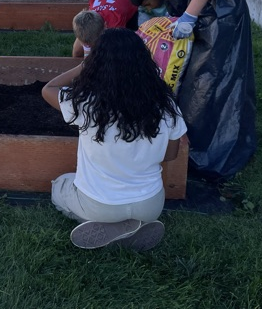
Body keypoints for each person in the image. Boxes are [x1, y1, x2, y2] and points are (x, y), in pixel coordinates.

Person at [126, 0, 256, 181]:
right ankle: (197, 140)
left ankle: (212, 150)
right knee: (201, 80)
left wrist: (189, 17)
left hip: (220, 23)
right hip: (211, 22)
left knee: (208, 81)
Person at [42, 28, 186, 250]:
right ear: (143, 61)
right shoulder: (166, 104)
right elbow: (171, 155)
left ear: (97, 65)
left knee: (60, 185)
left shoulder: (86, 104)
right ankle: (133, 226)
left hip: (100, 205)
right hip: (151, 204)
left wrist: (83, 67)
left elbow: (48, 89)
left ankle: (111, 229)